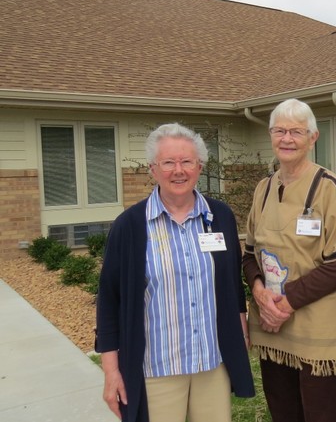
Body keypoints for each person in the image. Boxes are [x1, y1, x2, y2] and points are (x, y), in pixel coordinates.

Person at [95, 123, 255, 422]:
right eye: (169, 162)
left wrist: (241, 328)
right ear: (153, 169)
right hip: (157, 369)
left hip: (212, 364)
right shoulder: (129, 226)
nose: (178, 170)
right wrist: (111, 371)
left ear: (200, 167)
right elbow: (109, 302)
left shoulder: (219, 217)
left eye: (187, 162)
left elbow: (232, 282)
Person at [242, 98, 336, 422]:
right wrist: (259, 293)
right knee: (284, 413)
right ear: (270, 135)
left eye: (296, 131)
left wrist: (285, 303)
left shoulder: (330, 189)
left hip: (318, 334)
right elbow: (250, 254)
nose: (287, 138)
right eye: (280, 130)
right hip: (273, 329)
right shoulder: (263, 188)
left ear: (313, 137)